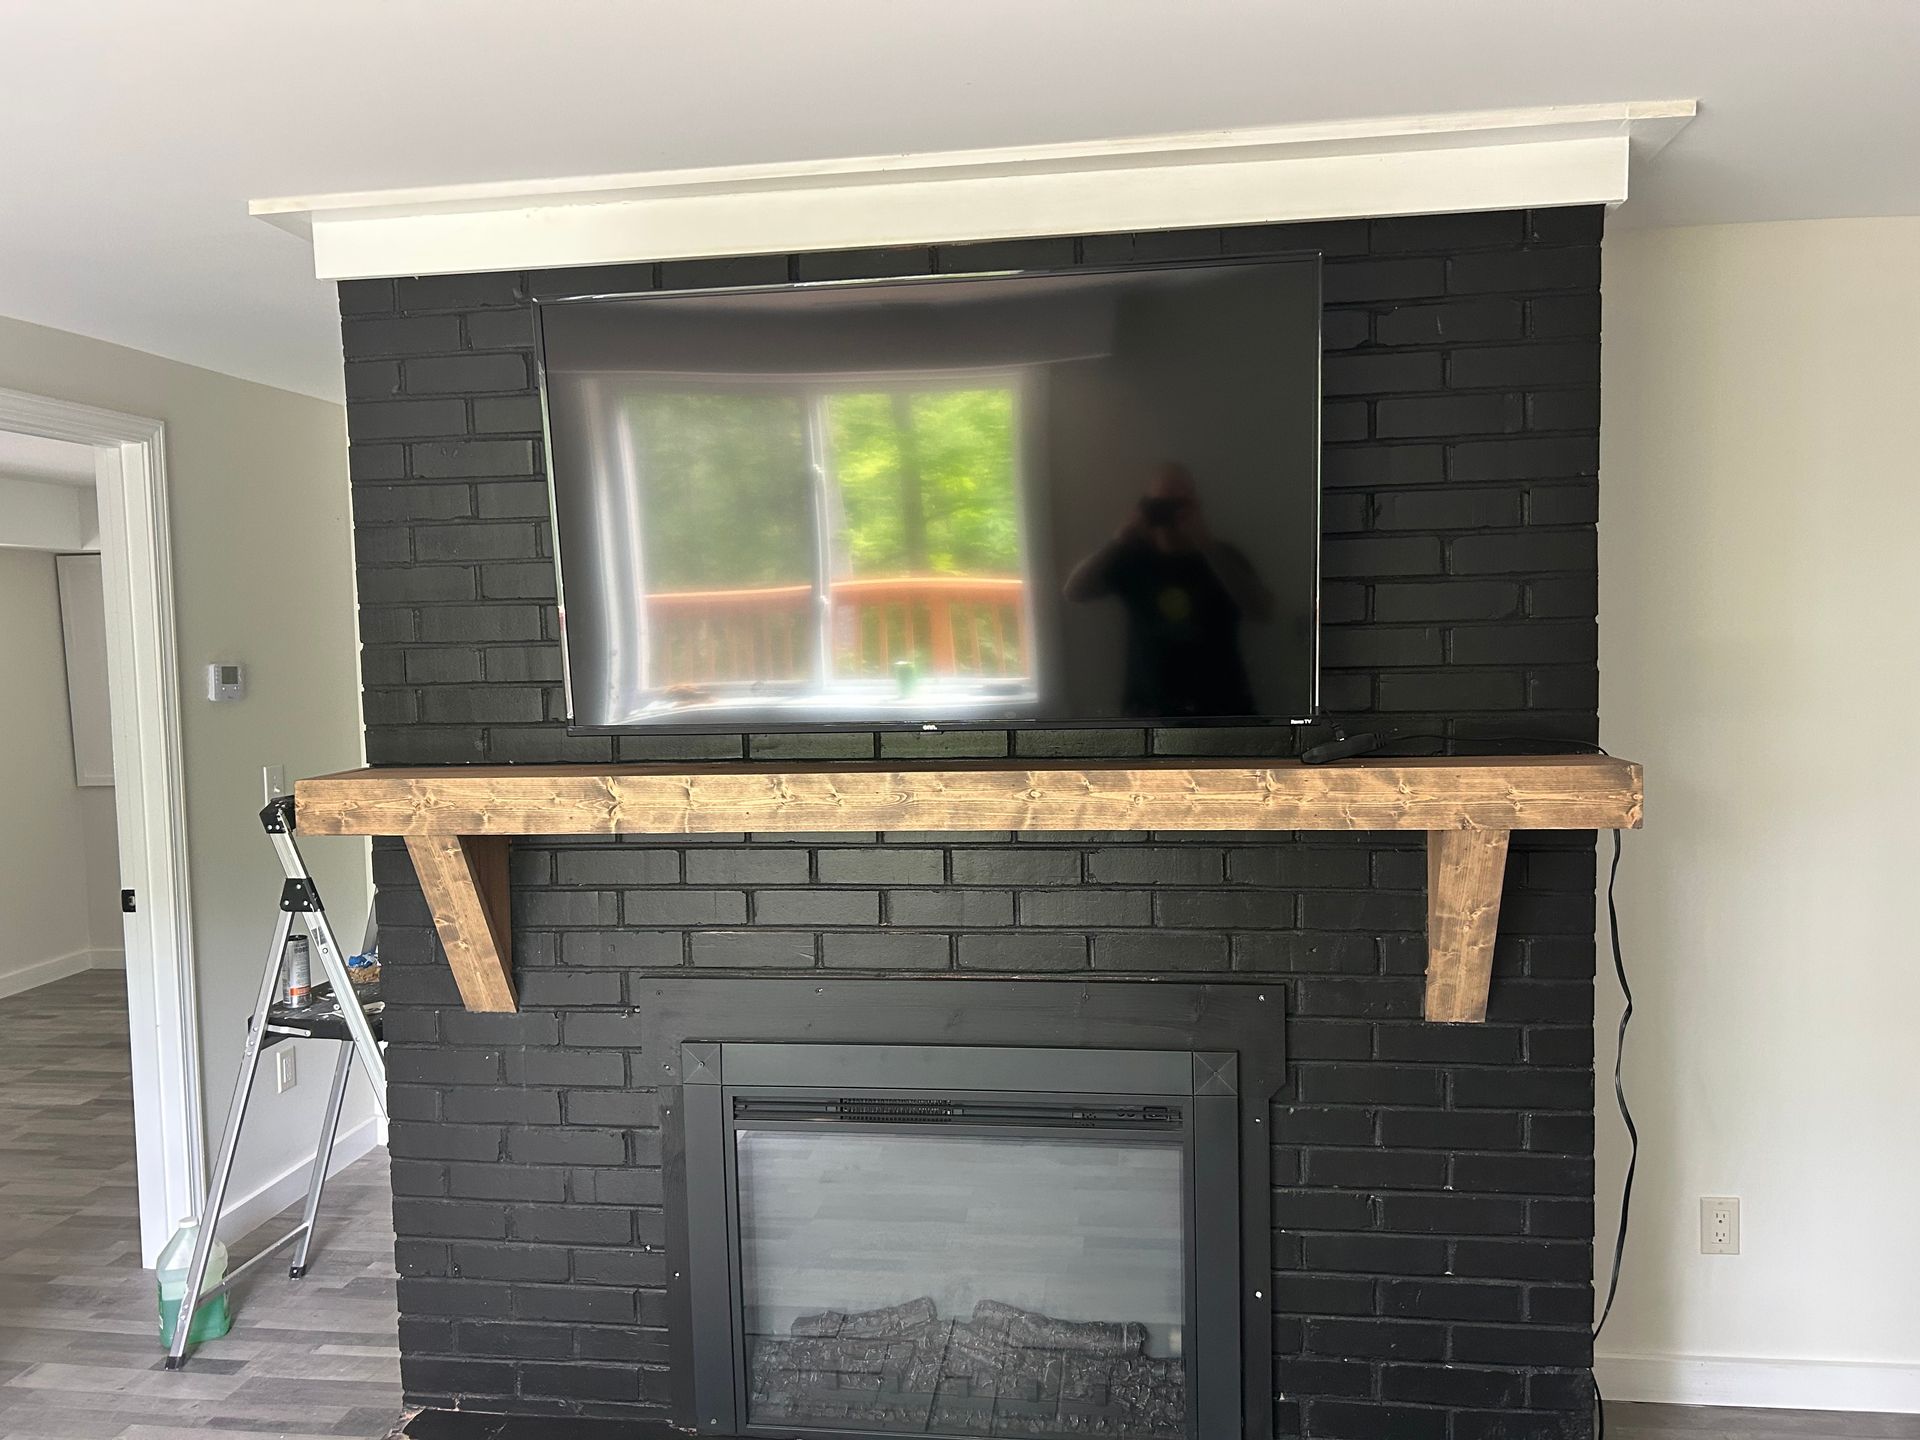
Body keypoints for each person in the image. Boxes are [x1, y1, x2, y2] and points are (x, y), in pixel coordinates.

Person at [1063, 462, 1272, 717]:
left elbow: (1263, 611)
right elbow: (1074, 591)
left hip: (1224, 711)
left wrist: (1206, 544)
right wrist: (1118, 540)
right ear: (1145, 507)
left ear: (1195, 505)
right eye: (1161, 504)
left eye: (1179, 504)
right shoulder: (1131, 557)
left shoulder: (1223, 555)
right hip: (1149, 715)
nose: (1170, 513)